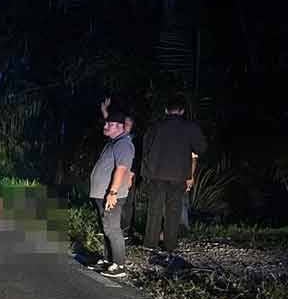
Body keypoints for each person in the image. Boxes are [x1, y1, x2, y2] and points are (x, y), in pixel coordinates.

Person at [141, 95, 207, 253]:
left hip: (156, 174)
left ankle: (150, 244)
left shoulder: (155, 126)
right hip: (178, 175)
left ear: (166, 110)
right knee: (174, 210)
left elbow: (145, 149)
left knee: (154, 209)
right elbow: (201, 148)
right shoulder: (190, 127)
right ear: (182, 111)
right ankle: (170, 245)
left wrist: (146, 172)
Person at [87, 111, 135, 278]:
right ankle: (108, 260)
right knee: (106, 227)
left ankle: (119, 265)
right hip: (102, 193)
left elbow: (121, 169)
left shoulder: (123, 144)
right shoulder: (114, 142)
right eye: (106, 123)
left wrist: (112, 192)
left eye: (109, 124)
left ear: (120, 127)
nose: (105, 126)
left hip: (111, 194)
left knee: (112, 228)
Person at [100, 98, 138, 239]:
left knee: (127, 202)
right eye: (124, 123)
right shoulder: (117, 138)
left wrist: (130, 175)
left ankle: (125, 229)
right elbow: (110, 125)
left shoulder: (129, 140)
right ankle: (114, 229)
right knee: (117, 204)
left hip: (128, 174)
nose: (125, 125)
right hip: (118, 175)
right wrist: (105, 111)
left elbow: (132, 160)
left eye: (128, 124)